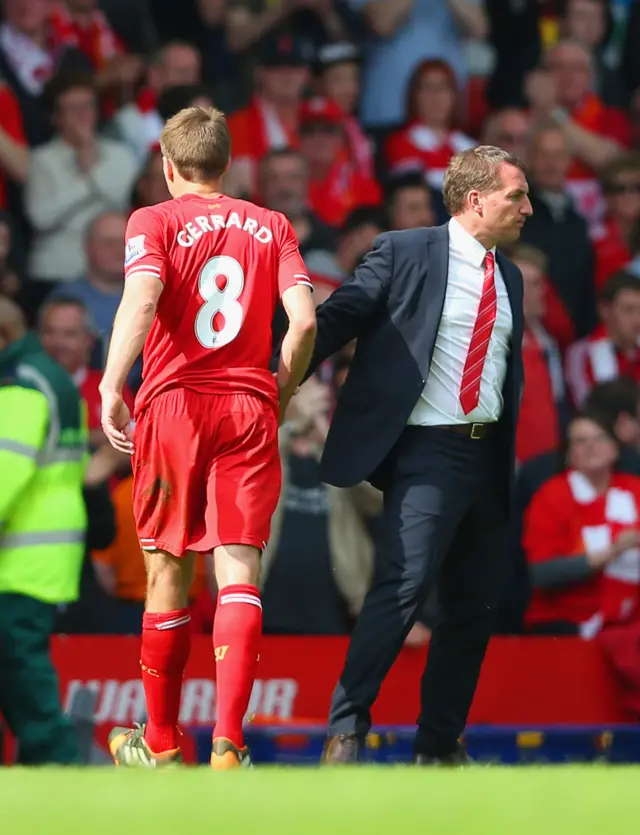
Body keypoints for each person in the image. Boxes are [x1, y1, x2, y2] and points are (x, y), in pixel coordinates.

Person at [99, 105, 316, 769]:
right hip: (248, 408)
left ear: (167, 166)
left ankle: (161, 741)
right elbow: (304, 322)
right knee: (238, 570)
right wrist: (279, 386)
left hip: (175, 406)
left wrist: (111, 384)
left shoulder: (153, 220)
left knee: (168, 570)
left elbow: (140, 300)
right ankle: (229, 742)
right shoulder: (273, 224)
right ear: (228, 165)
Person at [302, 145, 532, 764]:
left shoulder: (507, 275)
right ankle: (345, 730)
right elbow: (341, 317)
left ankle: (438, 746)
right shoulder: (404, 251)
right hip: (428, 449)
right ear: (475, 199)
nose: (527, 208)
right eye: (517, 195)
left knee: (473, 606)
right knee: (401, 587)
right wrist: (276, 374)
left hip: (488, 460)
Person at [0, 297, 88, 765]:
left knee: (24, 683)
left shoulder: (22, 384)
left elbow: (4, 475)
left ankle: (59, 767)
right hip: (37, 560)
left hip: (18, 564)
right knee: (19, 676)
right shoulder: (45, 377)